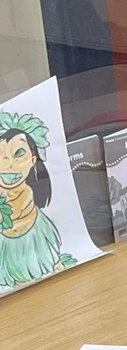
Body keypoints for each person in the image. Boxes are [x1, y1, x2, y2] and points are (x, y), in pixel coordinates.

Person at [0, 111, 76, 287]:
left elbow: (14, 214)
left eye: (18, 154)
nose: (9, 165)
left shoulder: (26, 193)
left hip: (31, 240)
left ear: (33, 159)